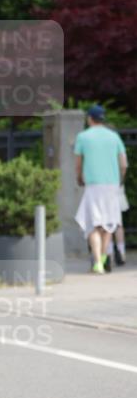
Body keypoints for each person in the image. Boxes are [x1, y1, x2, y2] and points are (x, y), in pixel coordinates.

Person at [74, 104, 128, 274]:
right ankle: (104, 257)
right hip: (111, 186)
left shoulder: (83, 137)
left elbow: (78, 164)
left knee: (93, 224)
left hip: (93, 186)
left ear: (89, 118)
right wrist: (119, 180)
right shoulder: (114, 137)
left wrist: (80, 178)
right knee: (108, 225)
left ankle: (97, 262)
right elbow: (124, 164)